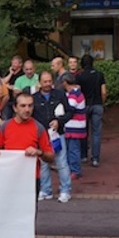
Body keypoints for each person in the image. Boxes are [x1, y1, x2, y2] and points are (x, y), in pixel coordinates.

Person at [0, 92, 55, 195]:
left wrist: (39, 152)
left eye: (30, 106)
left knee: (29, 210)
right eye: (23, 106)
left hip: (31, 178)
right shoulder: (5, 126)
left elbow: (51, 157)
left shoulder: (39, 128)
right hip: (8, 177)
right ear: (15, 108)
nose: (27, 109)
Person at [32, 70, 73, 202]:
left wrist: (59, 121)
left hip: (57, 134)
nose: (48, 84)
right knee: (43, 163)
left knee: (62, 163)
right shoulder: (34, 98)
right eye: (45, 82)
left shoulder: (60, 95)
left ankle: (65, 190)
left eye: (50, 81)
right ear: (39, 83)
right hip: (42, 136)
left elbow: (70, 112)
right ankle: (45, 190)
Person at [77, 54, 107, 167]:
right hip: (97, 104)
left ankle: (84, 155)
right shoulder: (99, 75)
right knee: (96, 132)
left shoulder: (79, 76)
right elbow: (104, 91)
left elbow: (78, 92)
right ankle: (95, 158)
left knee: (83, 131)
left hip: (84, 105)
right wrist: (102, 102)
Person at [62, 73, 86, 180]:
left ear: (65, 83)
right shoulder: (76, 93)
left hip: (74, 126)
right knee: (71, 149)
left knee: (73, 149)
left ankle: (75, 170)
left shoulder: (73, 94)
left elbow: (70, 108)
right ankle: (72, 169)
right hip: (76, 126)